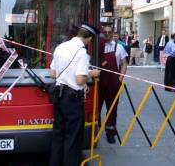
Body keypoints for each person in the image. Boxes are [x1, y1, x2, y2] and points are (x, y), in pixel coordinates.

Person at [49, 24, 100, 166]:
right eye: (90, 40)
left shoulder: (61, 47)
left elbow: (52, 74)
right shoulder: (82, 53)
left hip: (58, 95)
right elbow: (80, 80)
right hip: (72, 98)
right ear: (89, 38)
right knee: (73, 137)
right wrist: (91, 73)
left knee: (58, 133)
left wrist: (66, 75)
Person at [98, 30, 128, 144]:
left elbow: (124, 63)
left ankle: (110, 132)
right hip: (99, 82)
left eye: (109, 33)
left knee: (112, 108)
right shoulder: (98, 46)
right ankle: (95, 130)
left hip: (113, 83)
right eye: (104, 33)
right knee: (96, 108)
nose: (107, 35)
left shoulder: (118, 47)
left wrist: (120, 79)